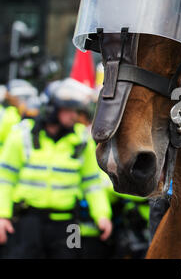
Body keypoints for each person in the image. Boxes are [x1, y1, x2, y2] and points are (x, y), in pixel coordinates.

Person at [0, 78, 113, 259]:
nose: (73, 115)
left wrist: (102, 215)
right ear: (52, 110)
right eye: (67, 110)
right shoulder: (22, 135)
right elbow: (5, 179)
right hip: (28, 220)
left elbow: (91, 184)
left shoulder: (81, 140)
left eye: (75, 110)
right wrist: (2, 216)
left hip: (68, 223)